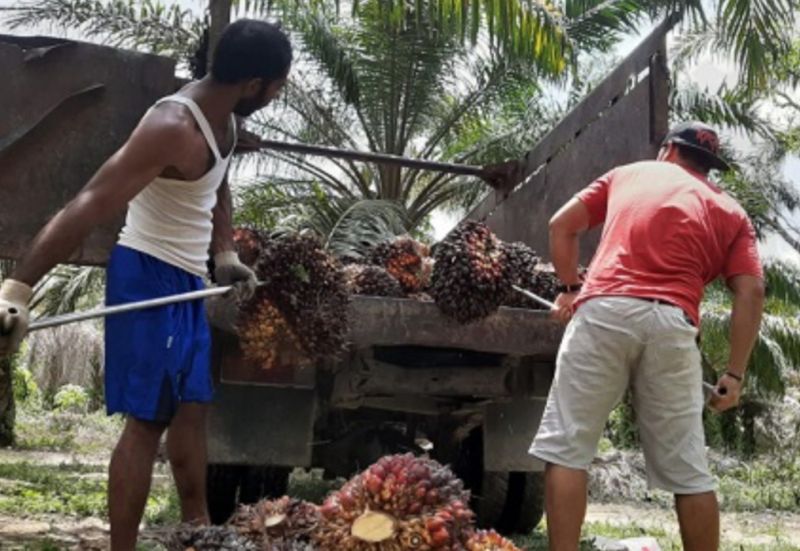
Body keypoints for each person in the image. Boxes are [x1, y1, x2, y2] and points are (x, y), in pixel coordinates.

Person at [0, 19, 292, 550]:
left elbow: (218, 182)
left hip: (188, 279)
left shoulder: (225, 120)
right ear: (253, 83)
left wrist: (224, 254)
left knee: (193, 410)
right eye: (276, 87)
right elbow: (90, 202)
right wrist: (18, 289)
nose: (276, 97)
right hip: (146, 275)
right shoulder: (172, 124)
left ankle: (199, 534)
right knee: (147, 421)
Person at [530, 121, 765, 551]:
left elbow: (561, 224)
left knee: (568, 448)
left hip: (604, 312)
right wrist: (734, 374)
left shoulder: (628, 174)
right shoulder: (732, 211)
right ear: (708, 166)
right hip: (673, 324)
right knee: (689, 472)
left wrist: (570, 288)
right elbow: (751, 291)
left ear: (668, 151)